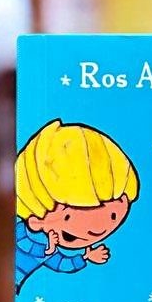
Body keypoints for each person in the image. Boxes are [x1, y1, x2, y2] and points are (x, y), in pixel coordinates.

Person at [14, 120, 138, 291]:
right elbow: (21, 243)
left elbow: (62, 264)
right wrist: (47, 249)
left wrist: (86, 257)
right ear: (36, 221)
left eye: (113, 216)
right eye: (67, 218)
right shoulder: (22, 232)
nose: (96, 230)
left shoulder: (51, 248)